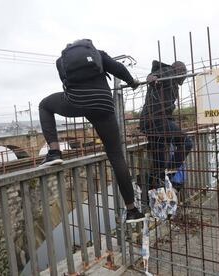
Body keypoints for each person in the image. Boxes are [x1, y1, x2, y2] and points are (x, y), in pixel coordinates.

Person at [39, 39, 145, 223]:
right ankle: (132, 210)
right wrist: (132, 81)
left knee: (44, 105)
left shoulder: (61, 61)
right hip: (103, 105)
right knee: (116, 156)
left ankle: (55, 152)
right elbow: (118, 69)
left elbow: (66, 82)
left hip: (77, 102)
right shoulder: (98, 54)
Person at [139, 60, 193, 190]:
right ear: (180, 71)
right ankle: (169, 173)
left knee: (159, 161)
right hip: (157, 120)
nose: (183, 79)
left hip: (149, 123)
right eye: (184, 75)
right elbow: (156, 75)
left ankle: (156, 191)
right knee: (186, 143)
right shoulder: (169, 71)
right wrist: (153, 79)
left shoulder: (172, 82)